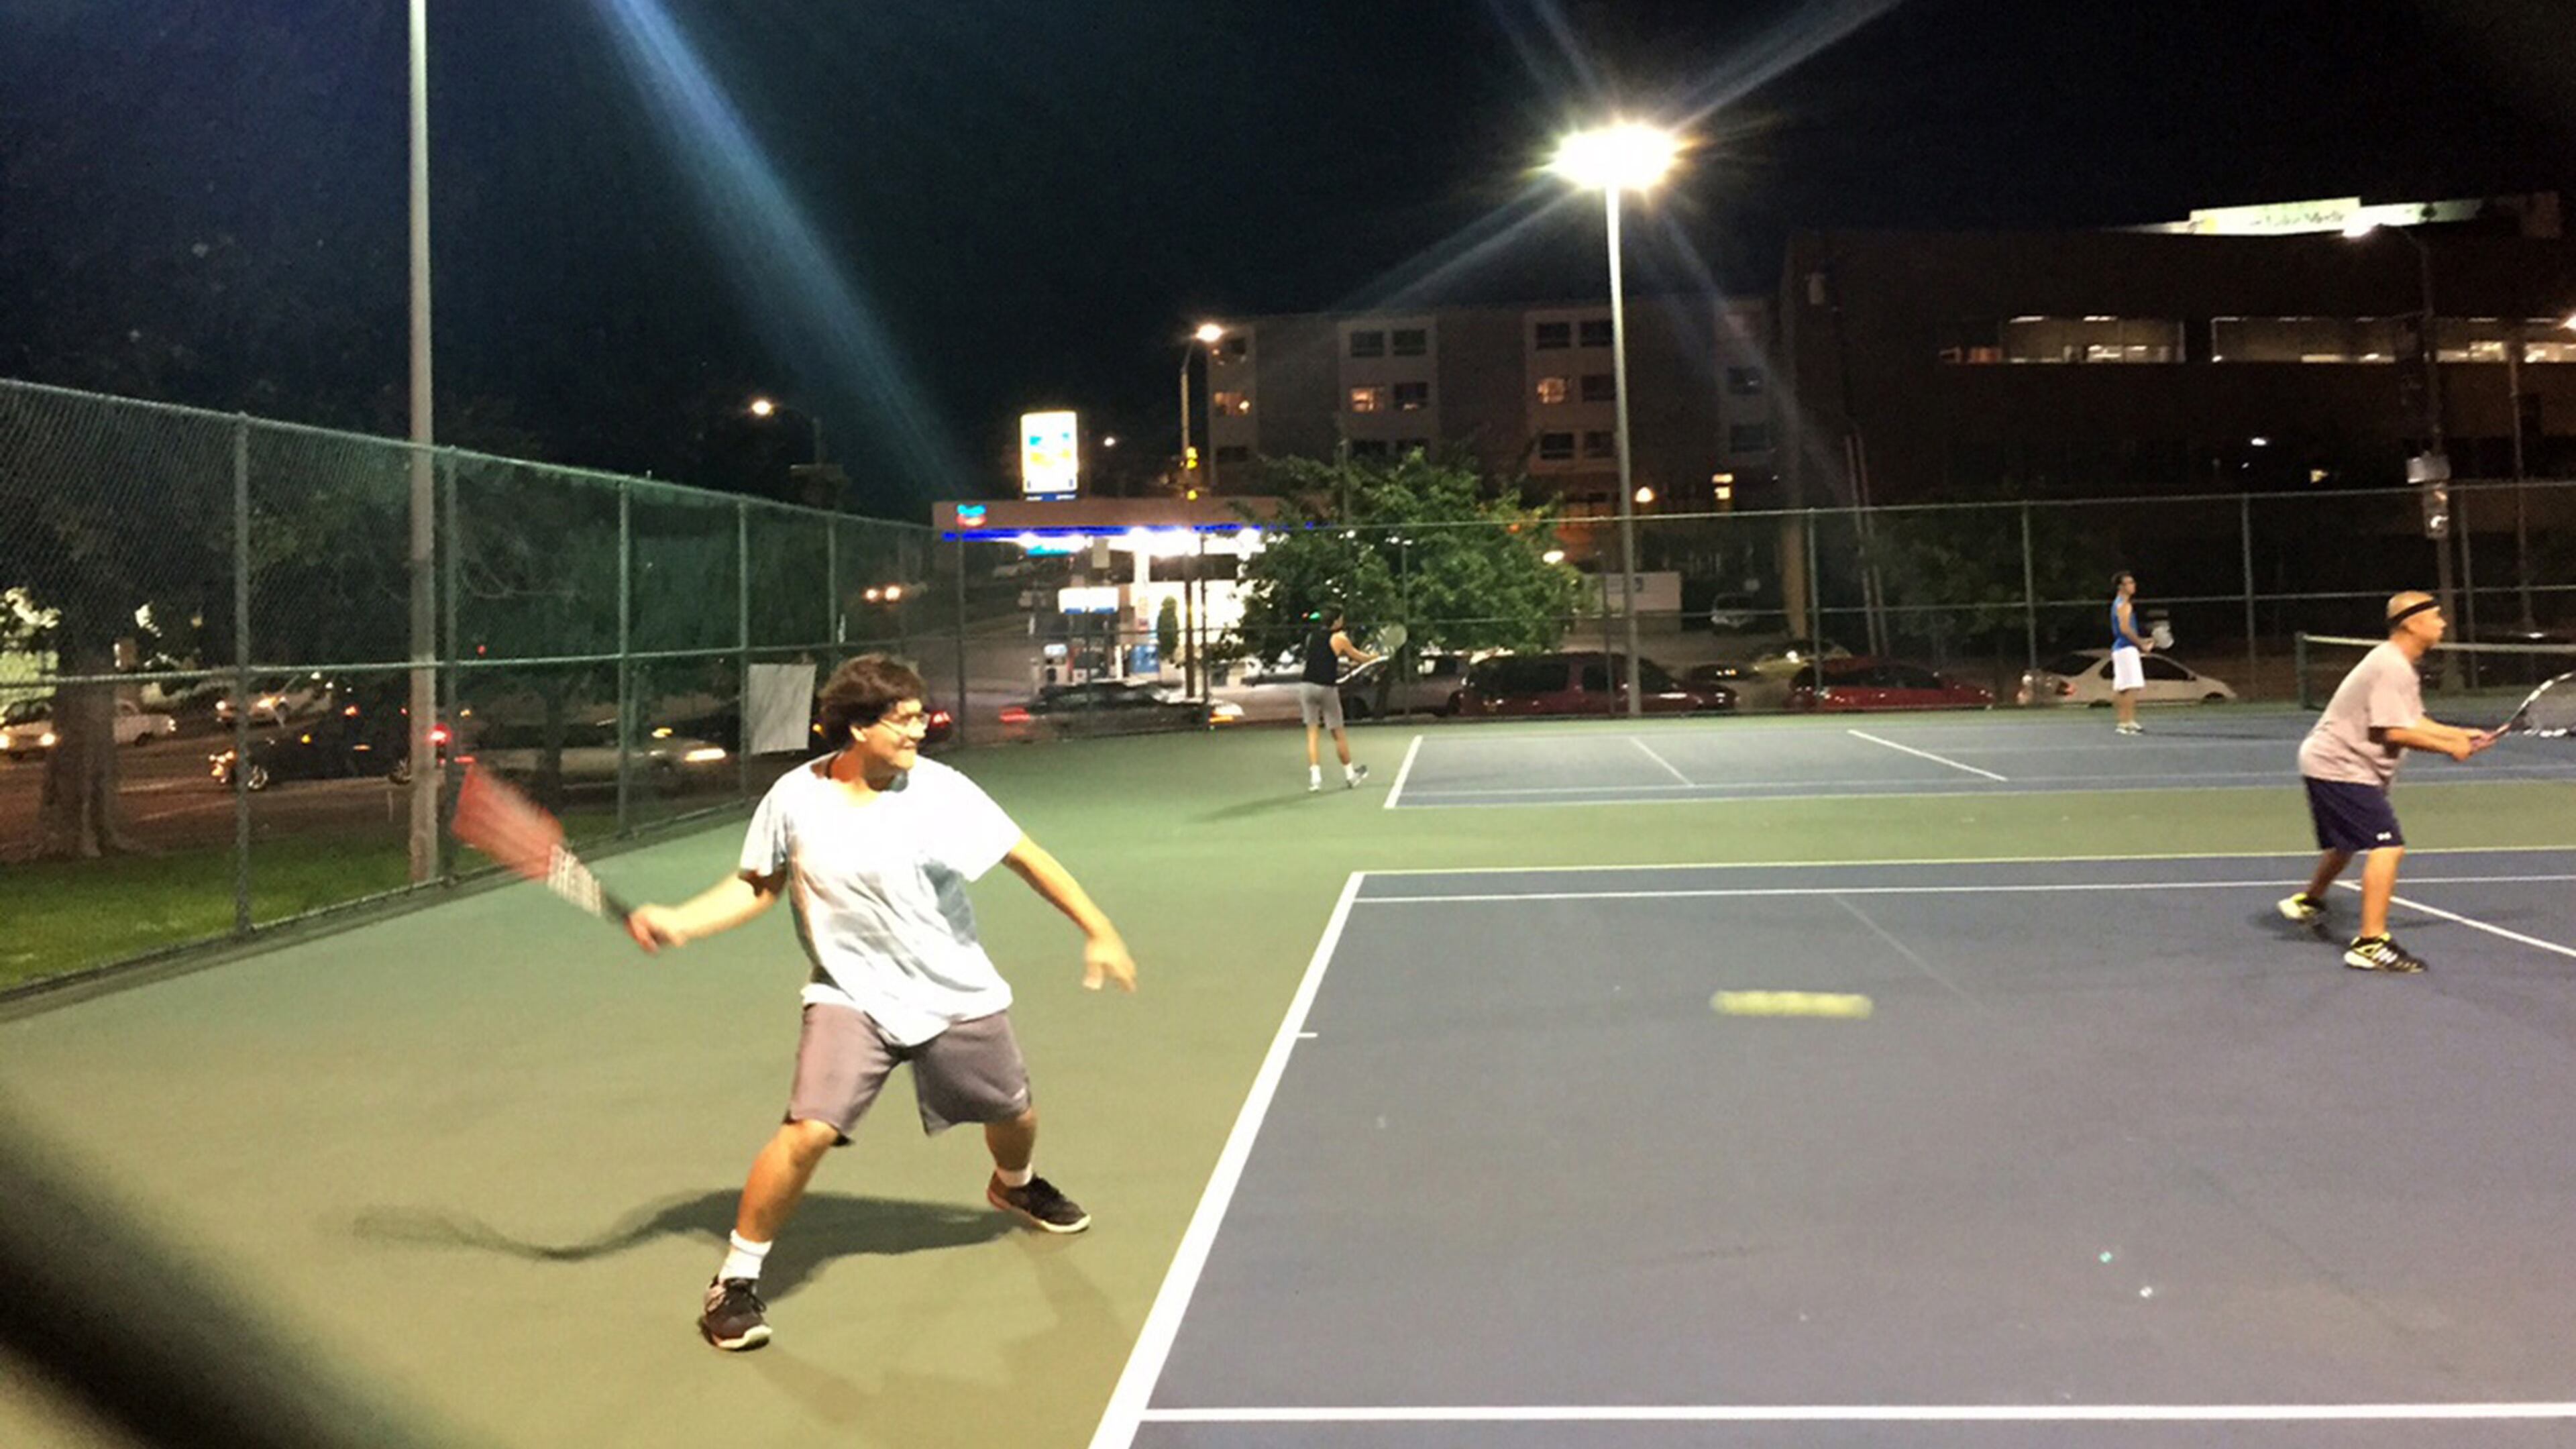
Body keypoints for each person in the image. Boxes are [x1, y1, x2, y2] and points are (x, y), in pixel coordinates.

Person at [624, 655, 1137, 1351]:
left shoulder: (943, 791)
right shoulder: (794, 798)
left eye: (921, 716)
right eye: (905, 720)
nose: (921, 731)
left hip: (953, 985)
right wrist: (681, 920)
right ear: (859, 728)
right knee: (807, 1130)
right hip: (850, 994)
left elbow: (1028, 857)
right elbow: (758, 886)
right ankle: (735, 1283)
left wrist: (1098, 928)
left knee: (1015, 1112)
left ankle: (1014, 1183)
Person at [2277, 592, 2495, 973]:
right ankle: (2370, 943)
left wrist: (2459, 736)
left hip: (2333, 762)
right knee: (2388, 846)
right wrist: (2449, 749)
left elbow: (2413, 720)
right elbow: (2392, 731)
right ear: (2411, 623)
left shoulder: (2399, 665)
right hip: (2340, 765)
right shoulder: (2391, 665)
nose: (2443, 622)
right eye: (2435, 615)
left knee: (2345, 844)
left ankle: (2308, 901)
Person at [1296, 604, 1377, 792]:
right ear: (1336, 621)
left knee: (1312, 734)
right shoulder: (1340, 638)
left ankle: (1315, 780)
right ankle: (1350, 775)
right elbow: (1359, 657)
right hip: (1326, 689)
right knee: (1338, 733)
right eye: (1341, 617)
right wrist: (1375, 657)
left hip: (1306, 687)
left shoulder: (1311, 637)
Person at [2108, 570, 2154, 735]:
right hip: (2126, 649)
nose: (2133, 586)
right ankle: (2127, 722)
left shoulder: (2119, 603)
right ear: (2121, 587)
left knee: (2122, 688)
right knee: (2132, 687)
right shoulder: (2124, 605)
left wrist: (2142, 641)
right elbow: (2125, 629)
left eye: (2133, 582)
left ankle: (2124, 722)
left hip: (2122, 649)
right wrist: (2141, 643)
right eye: (2129, 583)